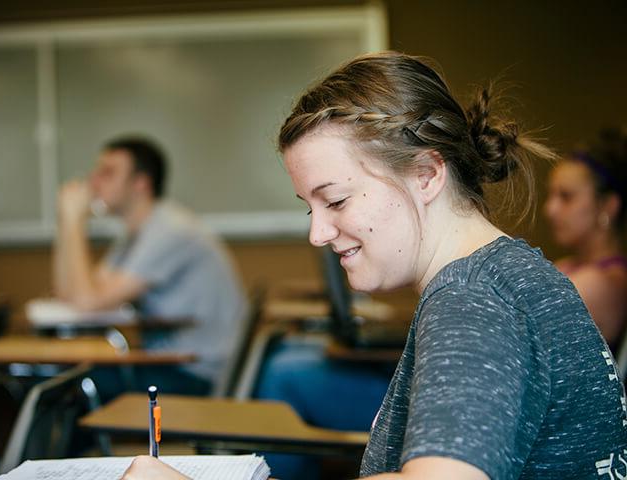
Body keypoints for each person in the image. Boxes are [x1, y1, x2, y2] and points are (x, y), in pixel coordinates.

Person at [122, 52, 627, 479]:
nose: (317, 233)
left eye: (336, 201)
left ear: (427, 174)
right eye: (309, 208)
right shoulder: (512, 274)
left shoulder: (472, 300)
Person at [53, 136, 248, 395]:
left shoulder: (168, 230)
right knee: (71, 379)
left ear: (141, 183)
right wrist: (66, 224)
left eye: (108, 173)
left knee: (75, 386)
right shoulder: (134, 234)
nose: (94, 181)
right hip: (170, 364)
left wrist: (74, 221)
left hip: (197, 373)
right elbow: (71, 293)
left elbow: (87, 300)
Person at [544, 127, 627, 354]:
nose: (550, 209)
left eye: (566, 197)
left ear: (608, 206)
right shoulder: (569, 266)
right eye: (550, 195)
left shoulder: (604, 282)